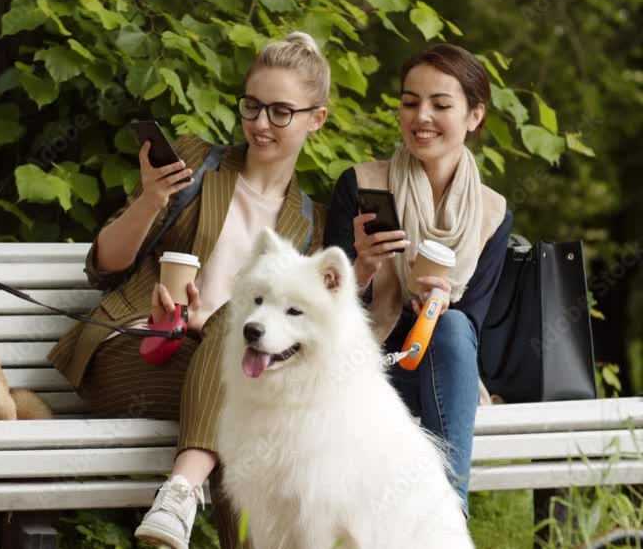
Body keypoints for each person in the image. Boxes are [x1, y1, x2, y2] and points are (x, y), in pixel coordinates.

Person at [47, 32, 330, 548]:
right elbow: (104, 266)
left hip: (225, 369)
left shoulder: (308, 223)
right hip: (135, 347)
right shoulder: (198, 163)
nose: (261, 124)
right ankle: (180, 494)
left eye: (281, 112)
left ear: (317, 118)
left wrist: (211, 323)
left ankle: (178, 496)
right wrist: (151, 200)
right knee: (250, 392)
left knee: (245, 392)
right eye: (252, 106)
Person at [323, 43, 514, 516]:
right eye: (410, 102)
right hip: (367, 369)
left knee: (451, 327)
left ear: (474, 116)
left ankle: (448, 515)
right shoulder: (362, 184)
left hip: (439, 371)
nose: (421, 116)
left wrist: (435, 305)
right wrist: (362, 269)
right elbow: (322, 312)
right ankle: (450, 529)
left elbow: (471, 324)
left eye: (440, 104)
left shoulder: (492, 211)